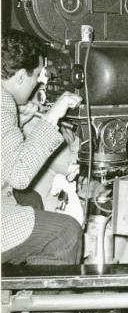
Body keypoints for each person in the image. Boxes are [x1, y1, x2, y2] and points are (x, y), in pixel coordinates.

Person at [1, 29, 83, 265]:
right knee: (66, 231)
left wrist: (19, 121)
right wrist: (53, 116)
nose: (39, 81)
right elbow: (19, 175)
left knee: (33, 202)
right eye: (36, 75)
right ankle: (38, 300)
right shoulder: (3, 101)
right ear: (19, 78)